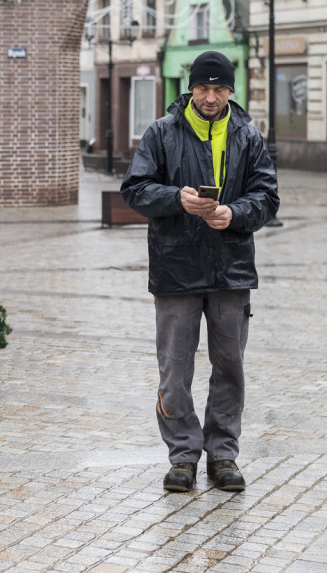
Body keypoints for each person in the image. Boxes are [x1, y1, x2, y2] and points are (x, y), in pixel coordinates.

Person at [120, 50, 279, 493]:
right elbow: (135, 188)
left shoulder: (248, 135)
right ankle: (184, 457)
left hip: (231, 271)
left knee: (230, 366)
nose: (211, 96)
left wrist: (235, 212)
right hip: (176, 269)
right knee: (174, 368)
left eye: (219, 88)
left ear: (231, 90)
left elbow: (267, 196)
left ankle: (223, 455)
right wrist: (177, 199)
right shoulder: (162, 133)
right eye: (203, 88)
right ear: (190, 88)